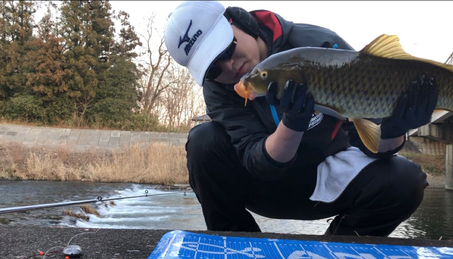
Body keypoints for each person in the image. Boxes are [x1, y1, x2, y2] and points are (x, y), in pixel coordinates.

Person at [164, 1, 437, 236]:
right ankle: (239, 251)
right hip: (264, 184)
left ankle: (338, 250)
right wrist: (293, 123)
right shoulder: (221, 88)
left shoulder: (317, 43)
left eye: (225, 50)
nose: (229, 66)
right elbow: (258, 162)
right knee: (203, 142)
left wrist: (394, 129)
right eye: (213, 68)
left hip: (327, 176)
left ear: (239, 21)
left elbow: (366, 143)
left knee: (406, 180)